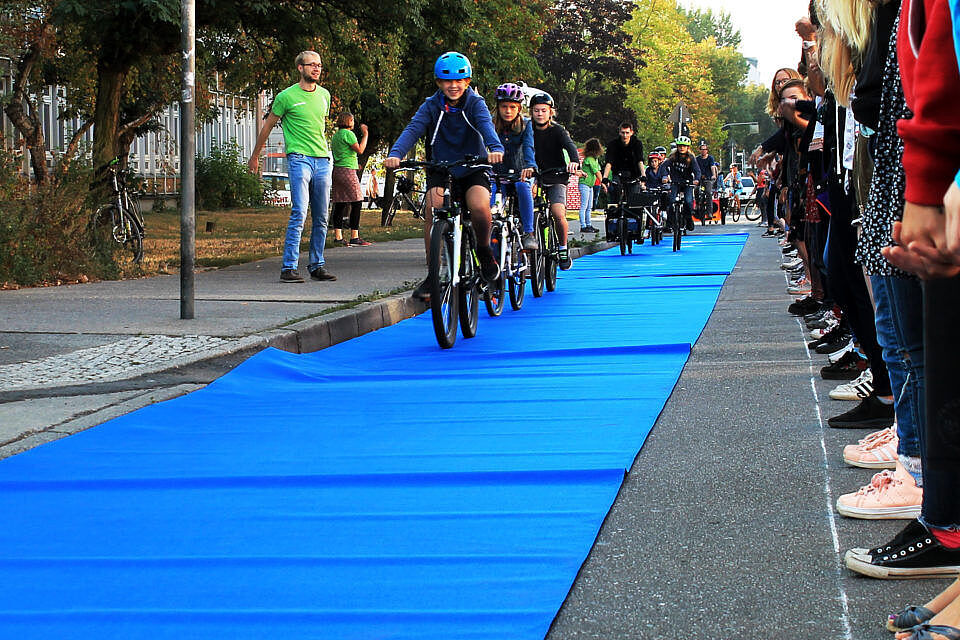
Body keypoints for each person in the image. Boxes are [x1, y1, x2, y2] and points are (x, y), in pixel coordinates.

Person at [383, 52, 504, 299]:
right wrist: (396, 153)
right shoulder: (431, 105)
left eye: (459, 81)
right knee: (432, 207)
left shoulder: (475, 103)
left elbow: (485, 126)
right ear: (439, 83)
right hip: (441, 167)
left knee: (480, 207)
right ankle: (433, 275)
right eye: (447, 81)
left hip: (474, 167)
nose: (453, 86)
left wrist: (495, 148)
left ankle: (483, 249)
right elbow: (413, 129)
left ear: (467, 82)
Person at [248, 50, 335, 283]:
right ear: (300, 68)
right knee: (299, 211)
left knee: (322, 216)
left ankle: (317, 265)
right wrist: (256, 155)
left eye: (319, 65)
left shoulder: (324, 95)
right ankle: (289, 267)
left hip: (322, 160)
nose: (316, 69)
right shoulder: (286, 96)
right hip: (299, 159)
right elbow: (267, 127)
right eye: (312, 65)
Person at [530, 92, 580, 270]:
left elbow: (570, 146)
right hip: (535, 175)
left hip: (557, 175)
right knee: (526, 206)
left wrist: (573, 162)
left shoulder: (557, 130)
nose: (540, 114)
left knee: (557, 212)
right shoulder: (528, 129)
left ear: (551, 112)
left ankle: (562, 247)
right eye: (536, 110)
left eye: (544, 110)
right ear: (531, 112)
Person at [490, 82, 538, 250]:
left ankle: (528, 233)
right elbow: (482, 145)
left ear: (519, 108)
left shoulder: (526, 125)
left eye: (512, 106)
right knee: (490, 202)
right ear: (498, 107)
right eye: (504, 106)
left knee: (522, 187)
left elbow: (528, 148)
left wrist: (530, 166)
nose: (508, 111)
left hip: (520, 172)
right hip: (497, 175)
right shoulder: (490, 125)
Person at [329, 112, 371, 247]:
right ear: (348, 121)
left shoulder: (336, 136)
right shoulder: (348, 134)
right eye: (352, 120)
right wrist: (365, 135)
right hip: (347, 171)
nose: (354, 122)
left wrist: (355, 165)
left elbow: (344, 153)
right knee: (357, 201)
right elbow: (360, 150)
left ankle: (338, 236)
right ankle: (354, 236)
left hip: (337, 170)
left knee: (340, 203)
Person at [663, 136, 701, 231]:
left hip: (687, 183)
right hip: (675, 182)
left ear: (688, 147)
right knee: (671, 201)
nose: (681, 148)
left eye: (684, 146)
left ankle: (689, 220)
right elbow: (663, 167)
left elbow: (697, 171)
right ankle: (669, 222)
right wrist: (665, 176)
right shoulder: (673, 157)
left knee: (688, 201)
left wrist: (696, 179)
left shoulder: (691, 158)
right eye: (680, 146)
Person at [602, 122, 645, 206]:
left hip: (633, 174)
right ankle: (613, 216)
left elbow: (640, 160)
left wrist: (643, 176)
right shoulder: (613, 144)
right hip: (618, 173)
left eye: (627, 133)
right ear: (619, 132)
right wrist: (605, 178)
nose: (625, 136)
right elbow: (609, 162)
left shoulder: (637, 144)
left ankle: (634, 216)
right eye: (623, 133)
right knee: (614, 199)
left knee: (634, 202)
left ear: (631, 132)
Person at [578, 138, 603, 233]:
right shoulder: (590, 159)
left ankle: (588, 224)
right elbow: (597, 172)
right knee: (584, 206)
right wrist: (603, 183)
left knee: (589, 206)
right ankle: (583, 225)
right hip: (584, 184)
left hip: (590, 185)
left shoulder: (594, 159)